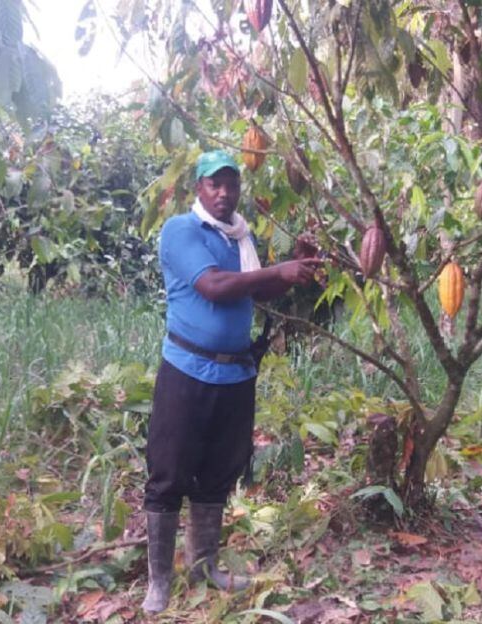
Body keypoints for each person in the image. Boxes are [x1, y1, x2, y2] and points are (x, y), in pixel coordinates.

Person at [141, 150, 322, 614]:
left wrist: (293, 268)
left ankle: (203, 566)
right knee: (168, 474)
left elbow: (257, 288)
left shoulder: (241, 237)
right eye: (213, 184)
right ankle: (159, 581)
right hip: (186, 370)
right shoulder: (181, 231)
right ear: (197, 189)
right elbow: (216, 287)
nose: (223, 193)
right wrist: (276, 271)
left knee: (218, 473)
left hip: (235, 373)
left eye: (231, 184)